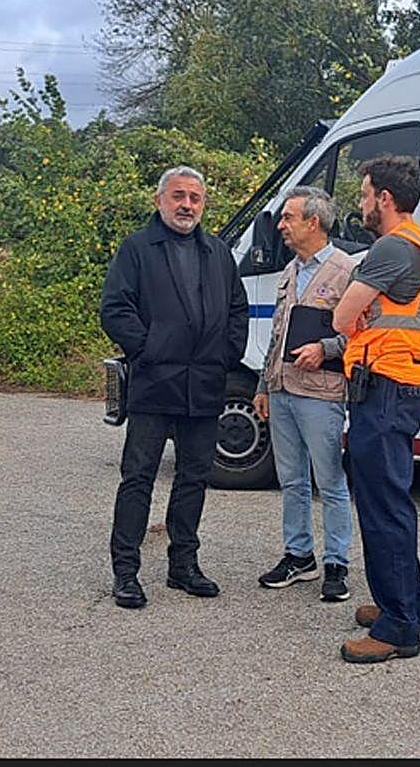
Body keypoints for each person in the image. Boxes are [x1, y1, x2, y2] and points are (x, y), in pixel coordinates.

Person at [100, 166, 249, 609]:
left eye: (195, 198)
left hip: (204, 383)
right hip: (154, 381)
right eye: (179, 196)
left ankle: (183, 565)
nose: (187, 205)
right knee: (138, 477)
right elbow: (115, 308)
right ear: (159, 200)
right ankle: (125, 572)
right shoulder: (137, 248)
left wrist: (225, 354)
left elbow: (237, 309)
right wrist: (147, 348)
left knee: (194, 477)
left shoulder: (218, 251)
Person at [331, 155, 420, 664]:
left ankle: (398, 627)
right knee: (391, 501)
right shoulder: (413, 243)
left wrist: (357, 316)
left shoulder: (392, 248)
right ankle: (409, 606)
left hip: (386, 388)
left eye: (365, 193)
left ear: (386, 200)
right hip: (398, 384)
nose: (361, 202)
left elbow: (341, 315)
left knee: (381, 507)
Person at [252, 187, 355, 602]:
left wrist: (326, 348)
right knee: (290, 480)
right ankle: (299, 555)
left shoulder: (347, 271)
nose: (281, 226)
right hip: (282, 391)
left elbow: (364, 334)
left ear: (313, 222)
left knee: (329, 481)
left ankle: (337, 562)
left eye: (288, 218)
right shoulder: (289, 272)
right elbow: (277, 335)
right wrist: (263, 385)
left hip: (321, 394)